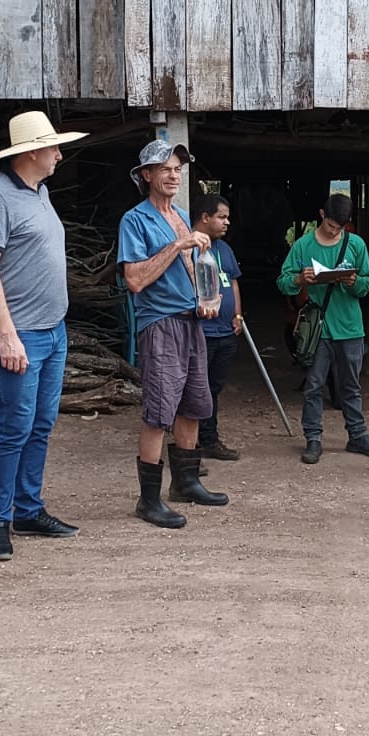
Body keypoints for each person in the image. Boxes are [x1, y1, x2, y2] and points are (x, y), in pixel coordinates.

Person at [0, 111, 88, 562]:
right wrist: (7, 335)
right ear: (32, 152)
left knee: (39, 424)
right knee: (13, 427)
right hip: (20, 333)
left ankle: (27, 509)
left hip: (52, 330)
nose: (59, 154)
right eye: (54, 147)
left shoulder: (39, 191)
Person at [119, 140, 229, 528]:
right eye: (164, 169)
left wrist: (207, 298)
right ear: (146, 175)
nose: (173, 175)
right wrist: (178, 243)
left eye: (178, 169)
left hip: (191, 321)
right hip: (160, 324)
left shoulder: (182, 214)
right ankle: (148, 500)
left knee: (194, 404)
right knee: (159, 411)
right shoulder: (135, 220)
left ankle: (186, 483)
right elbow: (135, 280)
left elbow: (197, 269)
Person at [277, 194, 369, 466]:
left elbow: (367, 283)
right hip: (317, 329)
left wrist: (353, 281)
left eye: (340, 227)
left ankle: (357, 435)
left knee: (351, 385)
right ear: (321, 215)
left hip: (350, 326)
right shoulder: (303, 245)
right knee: (313, 385)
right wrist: (299, 279)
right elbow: (282, 282)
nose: (334, 231)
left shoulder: (356, 244)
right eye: (330, 225)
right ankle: (313, 438)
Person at [194, 193, 243, 462]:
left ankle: (209, 440)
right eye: (221, 217)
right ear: (205, 217)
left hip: (225, 331)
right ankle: (189, 447)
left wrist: (238, 315)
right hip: (201, 332)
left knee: (213, 388)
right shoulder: (190, 246)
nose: (227, 223)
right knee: (195, 389)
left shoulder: (225, 249)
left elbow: (233, 281)